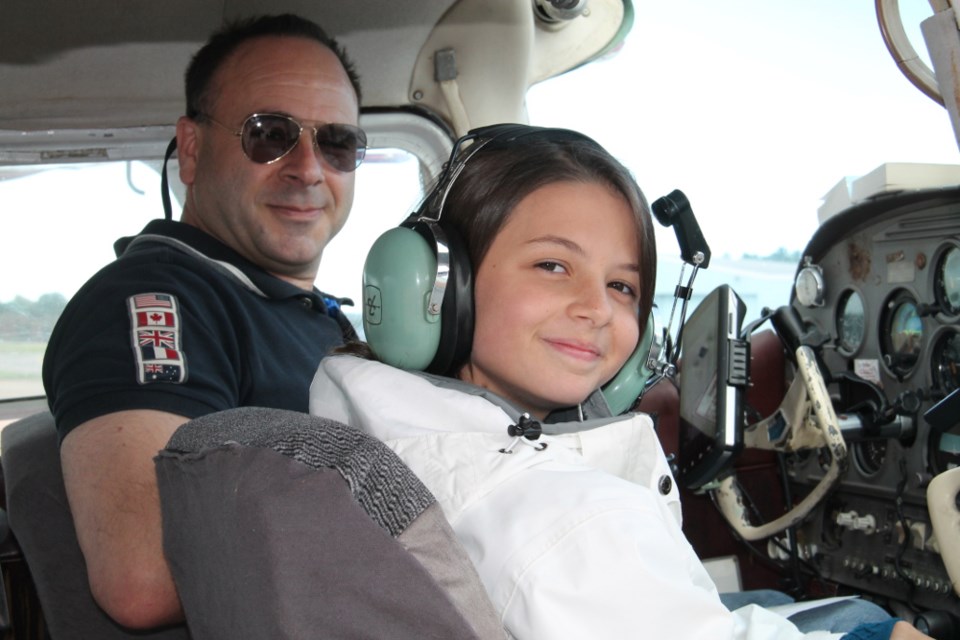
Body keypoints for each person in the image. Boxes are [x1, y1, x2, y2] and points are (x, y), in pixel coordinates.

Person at [308, 125, 932, 640]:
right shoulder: (565, 519)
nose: (598, 309)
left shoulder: (363, 413)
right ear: (436, 287)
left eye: (622, 286)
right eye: (553, 266)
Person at [42, 14, 365, 629]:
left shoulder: (307, 314)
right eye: (269, 134)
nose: (309, 167)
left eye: (337, 143)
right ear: (191, 150)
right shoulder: (154, 302)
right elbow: (147, 575)